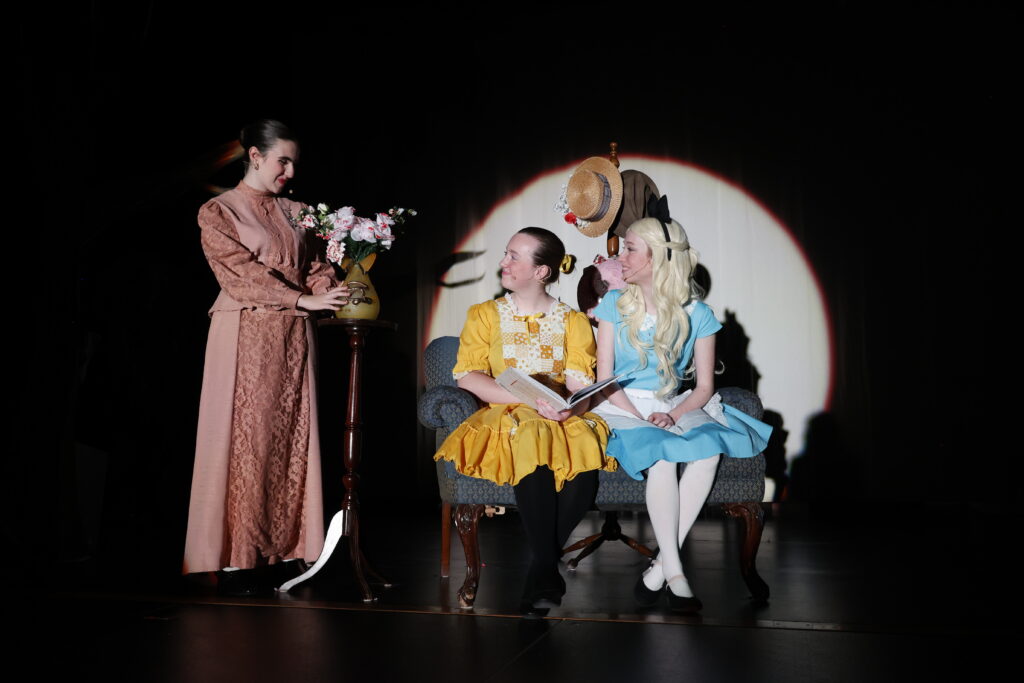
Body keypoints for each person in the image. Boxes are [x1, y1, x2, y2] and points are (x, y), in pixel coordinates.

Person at [183, 119, 350, 594]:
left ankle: (283, 551)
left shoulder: (298, 212)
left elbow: (316, 265)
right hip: (245, 334)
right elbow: (237, 273)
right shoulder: (218, 211)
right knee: (247, 442)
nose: (290, 171)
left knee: (292, 441)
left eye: (294, 162)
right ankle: (238, 559)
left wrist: (332, 290)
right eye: (283, 160)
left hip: (295, 336)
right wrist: (302, 299)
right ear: (255, 155)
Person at [591, 201, 772, 612]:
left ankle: (658, 570)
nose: (622, 255)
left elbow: (705, 386)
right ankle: (674, 574)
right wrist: (644, 418)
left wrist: (671, 415)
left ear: (657, 257)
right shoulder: (613, 306)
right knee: (663, 454)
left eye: (630, 248)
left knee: (707, 450)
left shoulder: (699, 314)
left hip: (674, 402)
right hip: (621, 407)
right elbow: (605, 379)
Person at [434, 227, 616, 614]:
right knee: (531, 435)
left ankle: (541, 569)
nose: (504, 262)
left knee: (583, 452)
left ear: (542, 272)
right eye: (506, 253)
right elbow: (469, 376)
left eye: (515, 256)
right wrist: (526, 399)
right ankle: (546, 572)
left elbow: (579, 381)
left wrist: (573, 408)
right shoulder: (484, 315)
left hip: (557, 412)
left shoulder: (572, 321)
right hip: (508, 413)